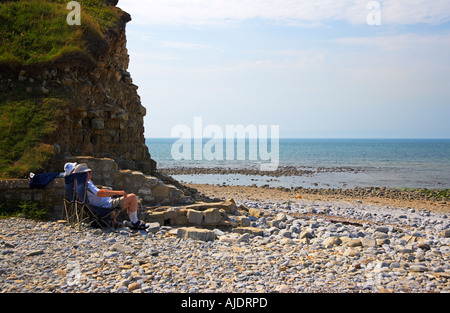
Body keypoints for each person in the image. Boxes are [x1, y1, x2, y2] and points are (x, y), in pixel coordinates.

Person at [72, 163, 149, 230]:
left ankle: (122, 222)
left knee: (125, 199)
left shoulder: (81, 183)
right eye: (88, 172)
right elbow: (99, 193)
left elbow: (96, 192)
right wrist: (119, 192)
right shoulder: (87, 184)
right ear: (83, 174)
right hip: (105, 207)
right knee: (132, 197)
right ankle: (135, 222)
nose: (90, 173)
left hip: (98, 206)